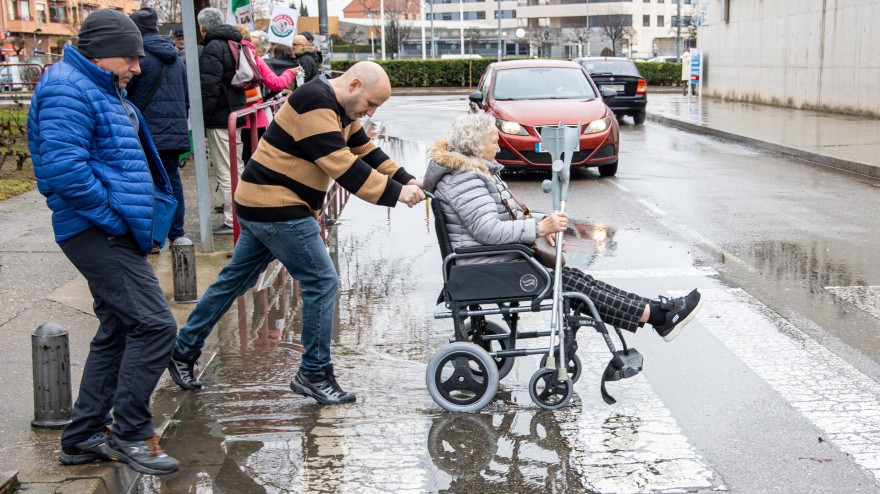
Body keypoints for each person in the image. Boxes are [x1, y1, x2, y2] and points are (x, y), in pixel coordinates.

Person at [167, 62, 426, 405]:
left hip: (264, 202)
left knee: (234, 281)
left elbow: (365, 150)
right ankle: (314, 372)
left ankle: (182, 350)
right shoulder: (314, 103)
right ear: (354, 85)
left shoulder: (341, 108)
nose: (371, 112)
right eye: (370, 104)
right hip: (278, 207)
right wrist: (396, 194)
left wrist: (405, 177)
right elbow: (343, 166)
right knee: (322, 281)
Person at [27, 9, 180, 475]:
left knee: (119, 329)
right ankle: (131, 431)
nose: (137, 67)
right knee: (155, 327)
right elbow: (64, 171)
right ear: (101, 52)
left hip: (111, 229)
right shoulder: (66, 88)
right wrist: (114, 218)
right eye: (130, 58)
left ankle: (82, 437)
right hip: (98, 230)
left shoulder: (96, 85)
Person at [423, 113, 702, 341]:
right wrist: (539, 228)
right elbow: (489, 231)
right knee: (573, 284)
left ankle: (658, 312)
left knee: (576, 280)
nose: (499, 147)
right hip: (487, 266)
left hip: (493, 261)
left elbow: (504, 219)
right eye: (494, 142)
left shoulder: (470, 173)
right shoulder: (465, 178)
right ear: (475, 146)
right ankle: (657, 315)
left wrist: (543, 223)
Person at [128, 8, 189, 250]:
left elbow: (125, 94)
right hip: (174, 131)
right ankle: (177, 234)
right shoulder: (177, 59)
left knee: (147, 183)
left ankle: (152, 237)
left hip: (146, 132)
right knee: (172, 181)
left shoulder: (137, 59)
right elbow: (185, 96)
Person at [197, 8, 246, 235]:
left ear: (202, 27)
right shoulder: (235, 42)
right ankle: (243, 213)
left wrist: (202, 120)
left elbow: (209, 87)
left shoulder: (213, 46)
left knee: (225, 170)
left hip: (219, 116)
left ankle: (232, 220)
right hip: (236, 112)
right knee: (237, 165)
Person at [232, 24, 299, 165]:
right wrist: (290, 72)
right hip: (254, 115)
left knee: (234, 163)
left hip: (232, 117)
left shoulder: (227, 56)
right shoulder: (255, 60)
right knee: (256, 161)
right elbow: (276, 83)